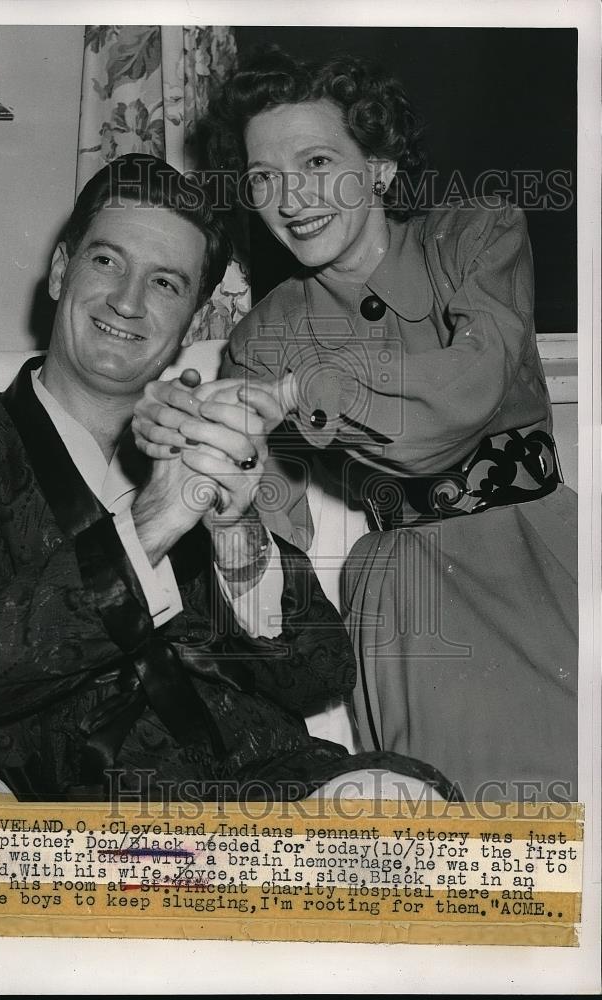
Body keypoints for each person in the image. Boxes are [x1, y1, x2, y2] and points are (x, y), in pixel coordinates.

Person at [0, 153, 454, 803]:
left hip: (287, 787)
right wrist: (154, 521)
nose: (127, 301)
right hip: (113, 815)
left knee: (413, 805)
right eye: (107, 261)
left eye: (166, 283)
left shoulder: (205, 442)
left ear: (193, 323)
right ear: (61, 270)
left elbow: (321, 675)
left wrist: (236, 534)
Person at [132, 51, 578, 802]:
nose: (290, 198)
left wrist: (302, 388)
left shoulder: (476, 234)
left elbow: (468, 387)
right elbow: (275, 545)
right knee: (479, 826)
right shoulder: (262, 336)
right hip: (412, 604)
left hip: (547, 558)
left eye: (316, 162)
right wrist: (195, 452)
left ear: (379, 167)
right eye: (263, 177)